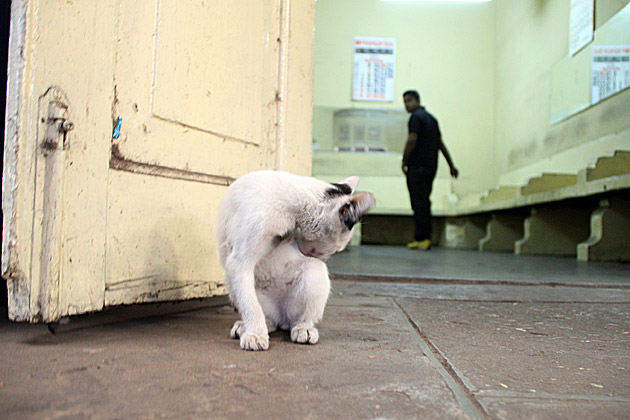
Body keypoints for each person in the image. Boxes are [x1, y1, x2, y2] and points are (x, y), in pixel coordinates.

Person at [401, 90, 458, 250]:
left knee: (418, 203)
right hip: (430, 168)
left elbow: (412, 140)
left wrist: (404, 160)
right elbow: (440, 143)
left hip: (416, 167)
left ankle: (422, 239)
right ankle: (425, 238)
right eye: (405, 101)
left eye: (409, 100)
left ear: (418, 100)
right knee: (424, 202)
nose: (407, 104)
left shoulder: (415, 118)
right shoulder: (432, 119)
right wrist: (451, 165)